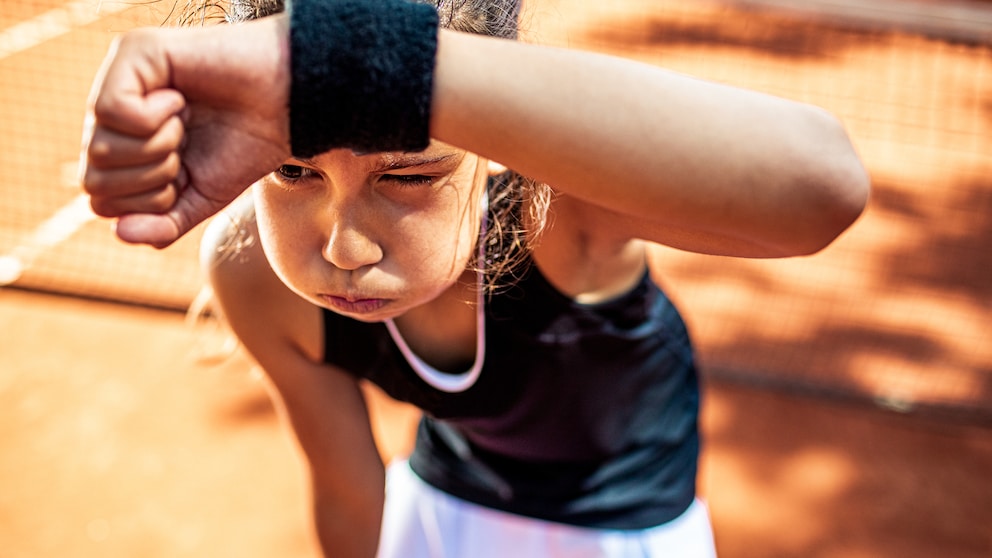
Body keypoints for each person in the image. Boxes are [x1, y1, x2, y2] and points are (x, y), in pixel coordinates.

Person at [79, 0, 870, 556]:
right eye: (292, 169)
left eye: (411, 176)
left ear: (490, 144)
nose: (347, 245)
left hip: (624, 527)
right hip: (447, 504)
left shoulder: (560, 219)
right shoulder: (248, 269)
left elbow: (824, 190)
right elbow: (349, 491)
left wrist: (398, 66)